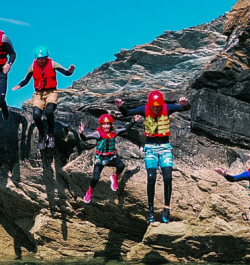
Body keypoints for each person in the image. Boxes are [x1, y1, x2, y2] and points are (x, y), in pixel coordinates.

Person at [115, 91, 190, 224]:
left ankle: (166, 208)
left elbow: (185, 108)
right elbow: (127, 113)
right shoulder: (144, 109)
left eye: (158, 106)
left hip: (165, 147)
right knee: (151, 178)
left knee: (168, 177)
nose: (155, 109)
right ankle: (150, 210)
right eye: (153, 106)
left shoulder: (167, 108)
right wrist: (120, 106)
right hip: (150, 147)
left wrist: (185, 104)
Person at [11, 47, 76, 150]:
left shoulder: (52, 64)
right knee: (36, 115)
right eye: (39, 59)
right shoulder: (33, 66)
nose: (41, 61)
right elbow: (26, 79)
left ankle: (51, 135)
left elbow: (65, 72)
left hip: (51, 92)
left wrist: (70, 71)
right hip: (38, 94)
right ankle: (42, 135)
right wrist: (19, 85)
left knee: (49, 112)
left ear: (47, 57)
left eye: (43, 58)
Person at [76, 113, 133, 203]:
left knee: (121, 166)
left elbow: (126, 129)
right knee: (95, 178)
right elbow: (85, 138)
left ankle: (114, 177)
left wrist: (134, 121)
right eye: (104, 124)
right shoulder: (98, 134)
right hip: (100, 159)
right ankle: (90, 191)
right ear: (101, 125)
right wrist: (81, 133)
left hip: (110, 157)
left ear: (111, 125)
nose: (106, 126)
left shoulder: (114, 132)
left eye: (108, 124)